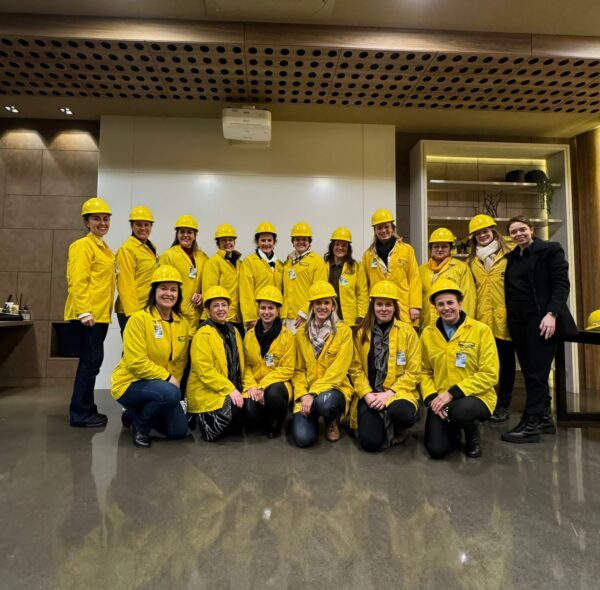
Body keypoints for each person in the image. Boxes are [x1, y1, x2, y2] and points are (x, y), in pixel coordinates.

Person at [501, 215, 577, 443]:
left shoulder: (550, 250)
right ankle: (544, 419)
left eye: (522, 229)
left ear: (531, 229)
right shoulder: (512, 257)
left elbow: (561, 284)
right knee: (530, 372)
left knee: (537, 373)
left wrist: (552, 314)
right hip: (518, 322)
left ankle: (531, 424)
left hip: (542, 320)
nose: (518, 234)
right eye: (513, 231)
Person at [111, 265, 190, 448]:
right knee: (171, 393)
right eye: (163, 288)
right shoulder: (139, 319)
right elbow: (136, 362)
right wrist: (168, 379)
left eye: (173, 289)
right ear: (154, 291)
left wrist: (174, 380)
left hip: (161, 386)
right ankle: (141, 428)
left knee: (178, 431)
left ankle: (133, 413)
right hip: (130, 383)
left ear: (178, 294)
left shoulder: (182, 323)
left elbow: (180, 360)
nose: (168, 293)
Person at [420, 279, 499, 459]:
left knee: (461, 411)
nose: (446, 308)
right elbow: (424, 372)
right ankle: (453, 427)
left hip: (476, 397)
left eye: (450, 302)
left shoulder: (481, 331)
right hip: (441, 399)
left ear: (460, 304)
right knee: (436, 450)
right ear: (435, 308)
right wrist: (432, 398)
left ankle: (471, 432)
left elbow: (489, 374)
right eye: (440, 304)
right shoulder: (428, 334)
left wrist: (453, 393)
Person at [349, 280, 421, 452]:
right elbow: (355, 369)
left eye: (388, 304)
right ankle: (381, 423)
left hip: (397, 393)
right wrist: (367, 394)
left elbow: (414, 371)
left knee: (402, 412)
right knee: (370, 443)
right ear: (372, 307)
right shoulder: (361, 333)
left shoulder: (408, 332)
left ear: (395, 307)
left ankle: (398, 426)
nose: (383, 309)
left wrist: (389, 394)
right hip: (371, 394)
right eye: (379, 304)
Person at [65, 197, 116, 428]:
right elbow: (77, 280)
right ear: (87, 222)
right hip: (87, 316)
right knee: (90, 362)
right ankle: (80, 413)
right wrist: (84, 311)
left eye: (106, 219)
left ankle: (87, 408)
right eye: (97, 218)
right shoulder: (82, 246)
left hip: (100, 315)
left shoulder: (103, 248)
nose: (102, 223)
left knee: (92, 361)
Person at [292, 281, 353, 447]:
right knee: (303, 439)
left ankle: (331, 420)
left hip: (334, 390)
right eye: (318, 303)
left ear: (333, 306)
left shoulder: (344, 332)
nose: (322, 307)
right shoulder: (301, 333)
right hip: (307, 392)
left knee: (324, 403)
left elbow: (338, 371)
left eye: (327, 303)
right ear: (311, 306)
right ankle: (310, 414)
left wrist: (313, 393)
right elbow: (297, 370)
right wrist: (303, 395)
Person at [466, 214, 515, 422]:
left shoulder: (509, 255)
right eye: (478, 234)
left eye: (485, 231)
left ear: (493, 232)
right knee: (483, 364)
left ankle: (503, 404)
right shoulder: (471, 262)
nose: (482, 235)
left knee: (506, 363)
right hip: (482, 320)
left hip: (505, 319)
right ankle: (486, 402)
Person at [186, 286, 247, 441]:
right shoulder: (203, 334)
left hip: (230, 389)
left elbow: (241, 365)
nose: (221, 309)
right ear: (207, 310)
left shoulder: (234, 331)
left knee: (247, 413)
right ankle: (203, 420)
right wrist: (230, 389)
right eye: (216, 306)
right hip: (208, 391)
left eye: (224, 305)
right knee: (232, 412)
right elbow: (205, 371)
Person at [243, 286, 294, 438]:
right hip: (255, 384)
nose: (266, 312)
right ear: (258, 310)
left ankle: (277, 420)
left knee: (273, 394)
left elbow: (287, 369)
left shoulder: (287, 336)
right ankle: (263, 416)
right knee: (250, 413)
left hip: (277, 385)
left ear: (278, 311)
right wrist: (252, 386)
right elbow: (246, 366)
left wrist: (263, 386)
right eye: (263, 308)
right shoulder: (249, 335)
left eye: (271, 308)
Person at [362, 208, 422, 325]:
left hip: (403, 307)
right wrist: (365, 310)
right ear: (375, 230)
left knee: (404, 334)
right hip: (379, 309)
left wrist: (415, 306)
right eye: (379, 228)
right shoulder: (368, 255)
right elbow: (364, 286)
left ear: (393, 228)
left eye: (387, 227)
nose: (383, 231)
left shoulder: (406, 250)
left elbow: (414, 278)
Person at [159, 215, 208, 337]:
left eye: (189, 232)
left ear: (195, 235)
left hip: (197, 314)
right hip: (176, 312)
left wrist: (203, 295)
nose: (185, 235)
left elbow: (208, 282)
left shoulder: (203, 257)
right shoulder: (168, 256)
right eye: (182, 232)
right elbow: (161, 286)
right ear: (177, 234)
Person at [115, 205, 159, 336]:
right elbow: (125, 283)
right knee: (132, 346)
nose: (143, 228)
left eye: (147, 225)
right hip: (132, 310)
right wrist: (133, 314)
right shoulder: (127, 249)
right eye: (138, 224)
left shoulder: (151, 247)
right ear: (132, 226)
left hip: (147, 308)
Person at [419, 227, 475, 328]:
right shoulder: (422, 270)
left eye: (444, 246)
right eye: (436, 246)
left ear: (450, 248)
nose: (440, 249)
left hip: (454, 322)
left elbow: (468, 297)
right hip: (427, 323)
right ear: (431, 248)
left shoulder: (461, 267)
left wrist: (465, 323)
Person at [281, 222, 328, 334]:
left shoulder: (317, 261)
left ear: (309, 241)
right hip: (285, 317)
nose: (301, 242)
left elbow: (320, 292)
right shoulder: (288, 261)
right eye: (297, 239)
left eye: (304, 239)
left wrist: (305, 312)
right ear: (293, 242)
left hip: (304, 317)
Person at [239, 221, 284, 331]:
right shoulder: (249, 262)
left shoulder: (280, 264)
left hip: (275, 317)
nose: (266, 243)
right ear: (257, 242)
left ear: (274, 242)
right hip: (257, 317)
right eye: (263, 240)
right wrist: (251, 318)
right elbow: (246, 292)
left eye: (269, 240)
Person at [203, 224, 243, 333]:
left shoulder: (239, 263)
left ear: (234, 242)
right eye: (223, 240)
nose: (227, 243)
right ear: (218, 243)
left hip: (237, 318)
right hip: (220, 318)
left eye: (230, 240)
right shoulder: (213, 262)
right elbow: (209, 291)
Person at [324, 227, 369, 325]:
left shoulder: (356, 267)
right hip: (326, 317)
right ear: (332, 246)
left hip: (349, 319)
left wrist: (361, 316)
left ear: (348, 248)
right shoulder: (323, 266)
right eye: (337, 244)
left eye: (344, 245)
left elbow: (362, 293)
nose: (340, 248)